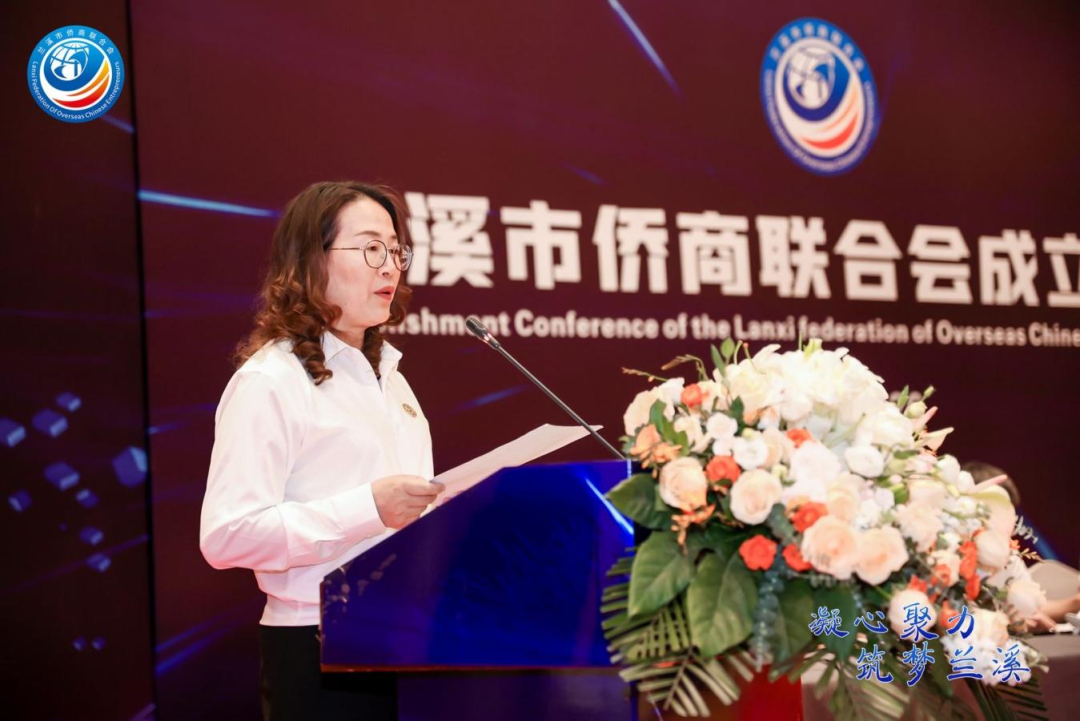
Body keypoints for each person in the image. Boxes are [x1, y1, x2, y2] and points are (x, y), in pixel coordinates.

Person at [199, 181, 443, 721]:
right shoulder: (271, 380)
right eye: (371, 248)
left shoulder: (391, 379)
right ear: (312, 260)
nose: (390, 266)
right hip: (317, 647)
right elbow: (226, 535)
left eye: (395, 250)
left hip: (409, 637)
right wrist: (367, 508)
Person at [962, 461, 1079, 631]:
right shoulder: (949, 554)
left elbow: (1034, 609)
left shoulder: (1009, 556)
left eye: (1008, 511)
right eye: (995, 508)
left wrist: (1076, 602)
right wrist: (1010, 623)